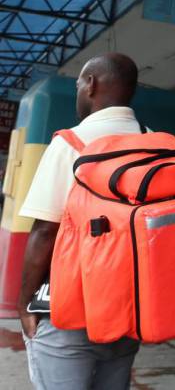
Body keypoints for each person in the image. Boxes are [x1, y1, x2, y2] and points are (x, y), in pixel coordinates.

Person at [17, 53, 143, 390]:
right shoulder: (156, 142)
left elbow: (45, 231)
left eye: (77, 85)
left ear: (91, 84)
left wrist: (25, 303)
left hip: (69, 311)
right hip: (130, 309)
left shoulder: (70, 144)